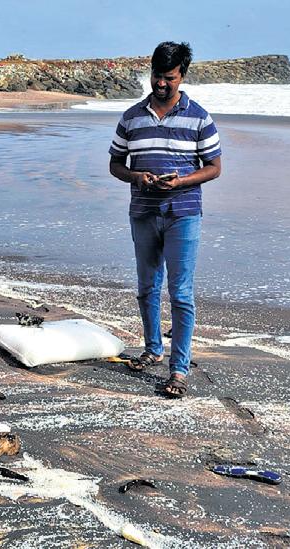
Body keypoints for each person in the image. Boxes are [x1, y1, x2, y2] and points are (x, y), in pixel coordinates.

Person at [108, 41, 222, 398]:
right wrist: (136, 177)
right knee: (146, 288)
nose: (161, 84)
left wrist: (182, 181)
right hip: (143, 212)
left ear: (182, 76)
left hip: (183, 214)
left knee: (181, 293)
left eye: (169, 78)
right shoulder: (131, 117)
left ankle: (179, 369)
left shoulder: (199, 117)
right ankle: (153, 348)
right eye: (157, 76)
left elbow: (215, 168)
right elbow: (115, 164)